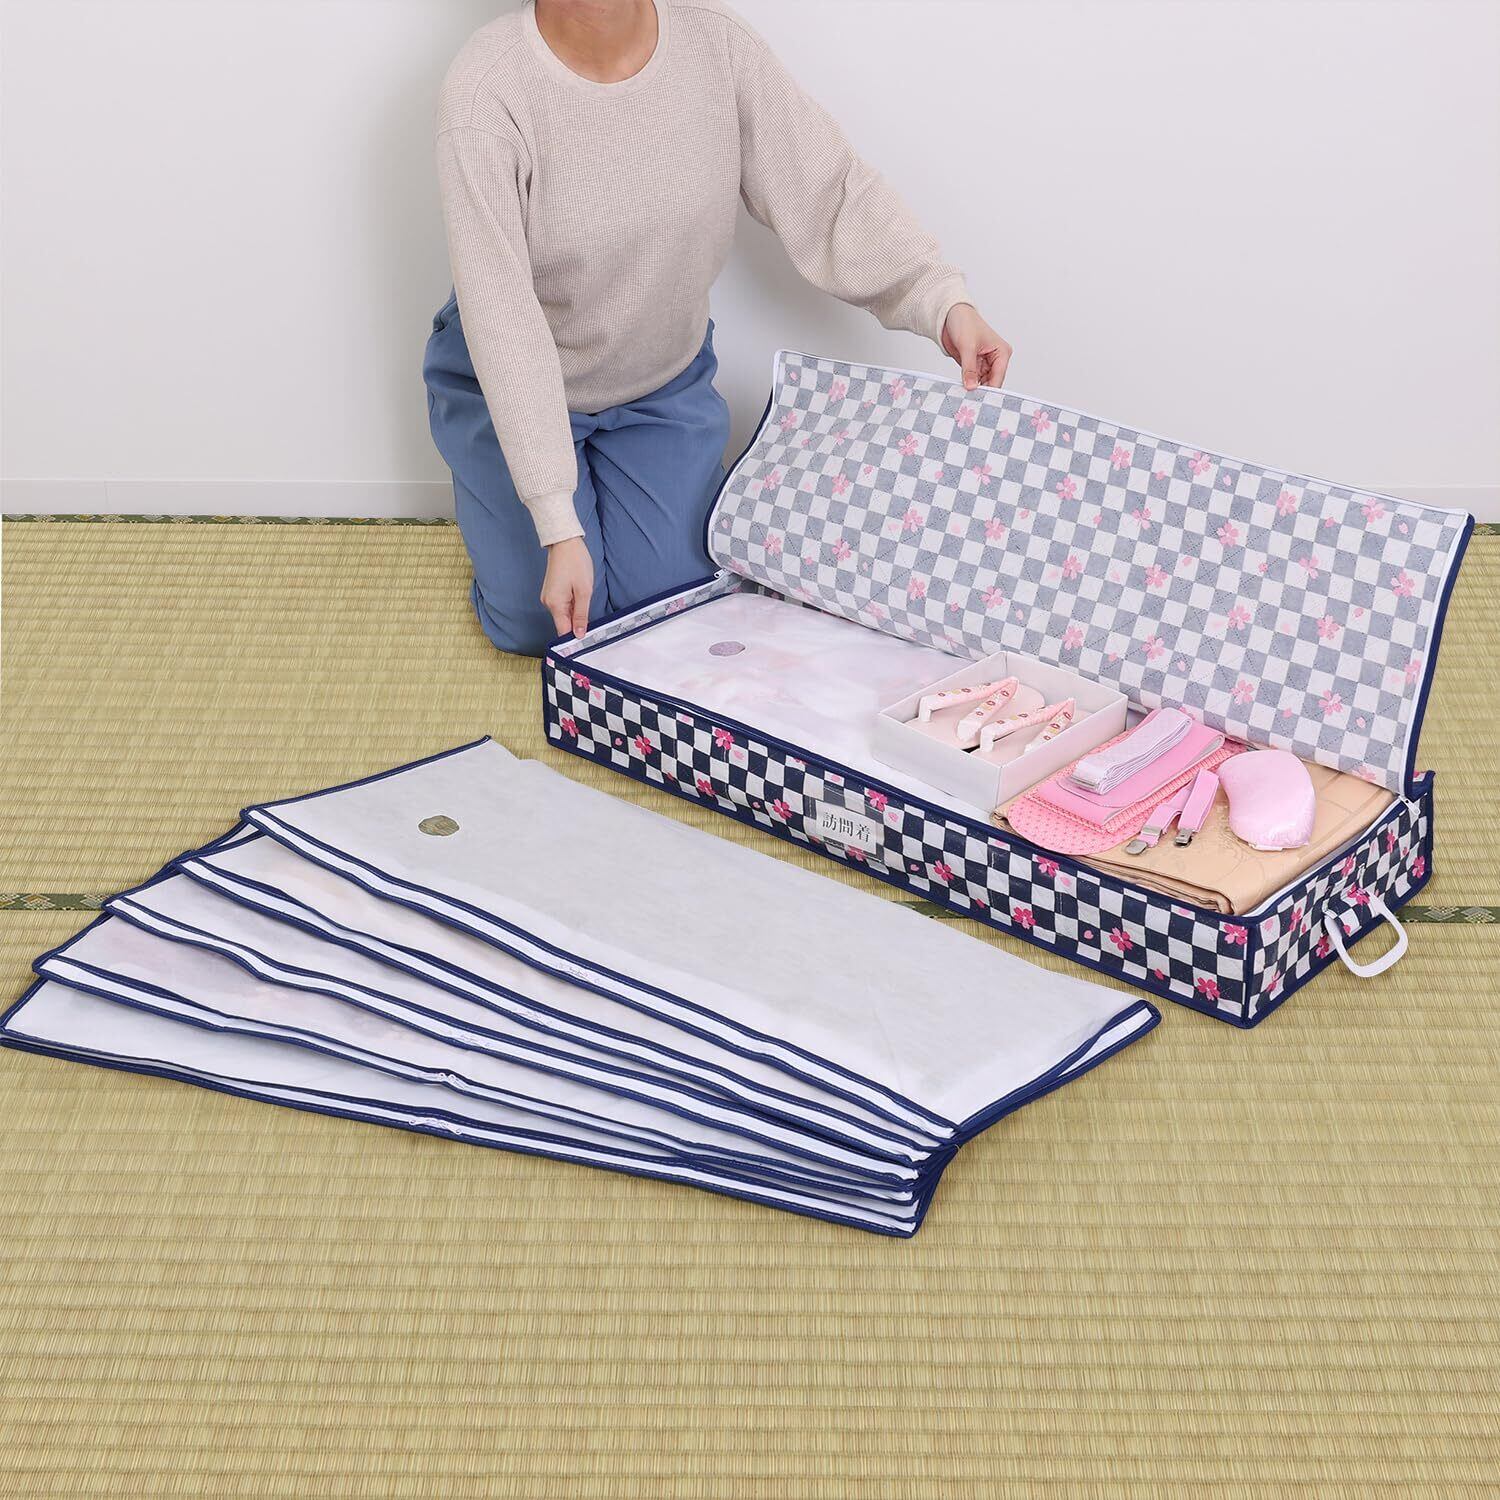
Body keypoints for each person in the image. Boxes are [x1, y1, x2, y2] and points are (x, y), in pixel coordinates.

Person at [424, 0, 1011, 654]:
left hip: (657, 387)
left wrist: (942, 302)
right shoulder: (485, 90)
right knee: (542, 626)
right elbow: (501, 319)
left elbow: (827, 191)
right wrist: (557, 523)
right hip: (510, 389)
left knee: (671, 607)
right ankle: (510, 501)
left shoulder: (717, 47)